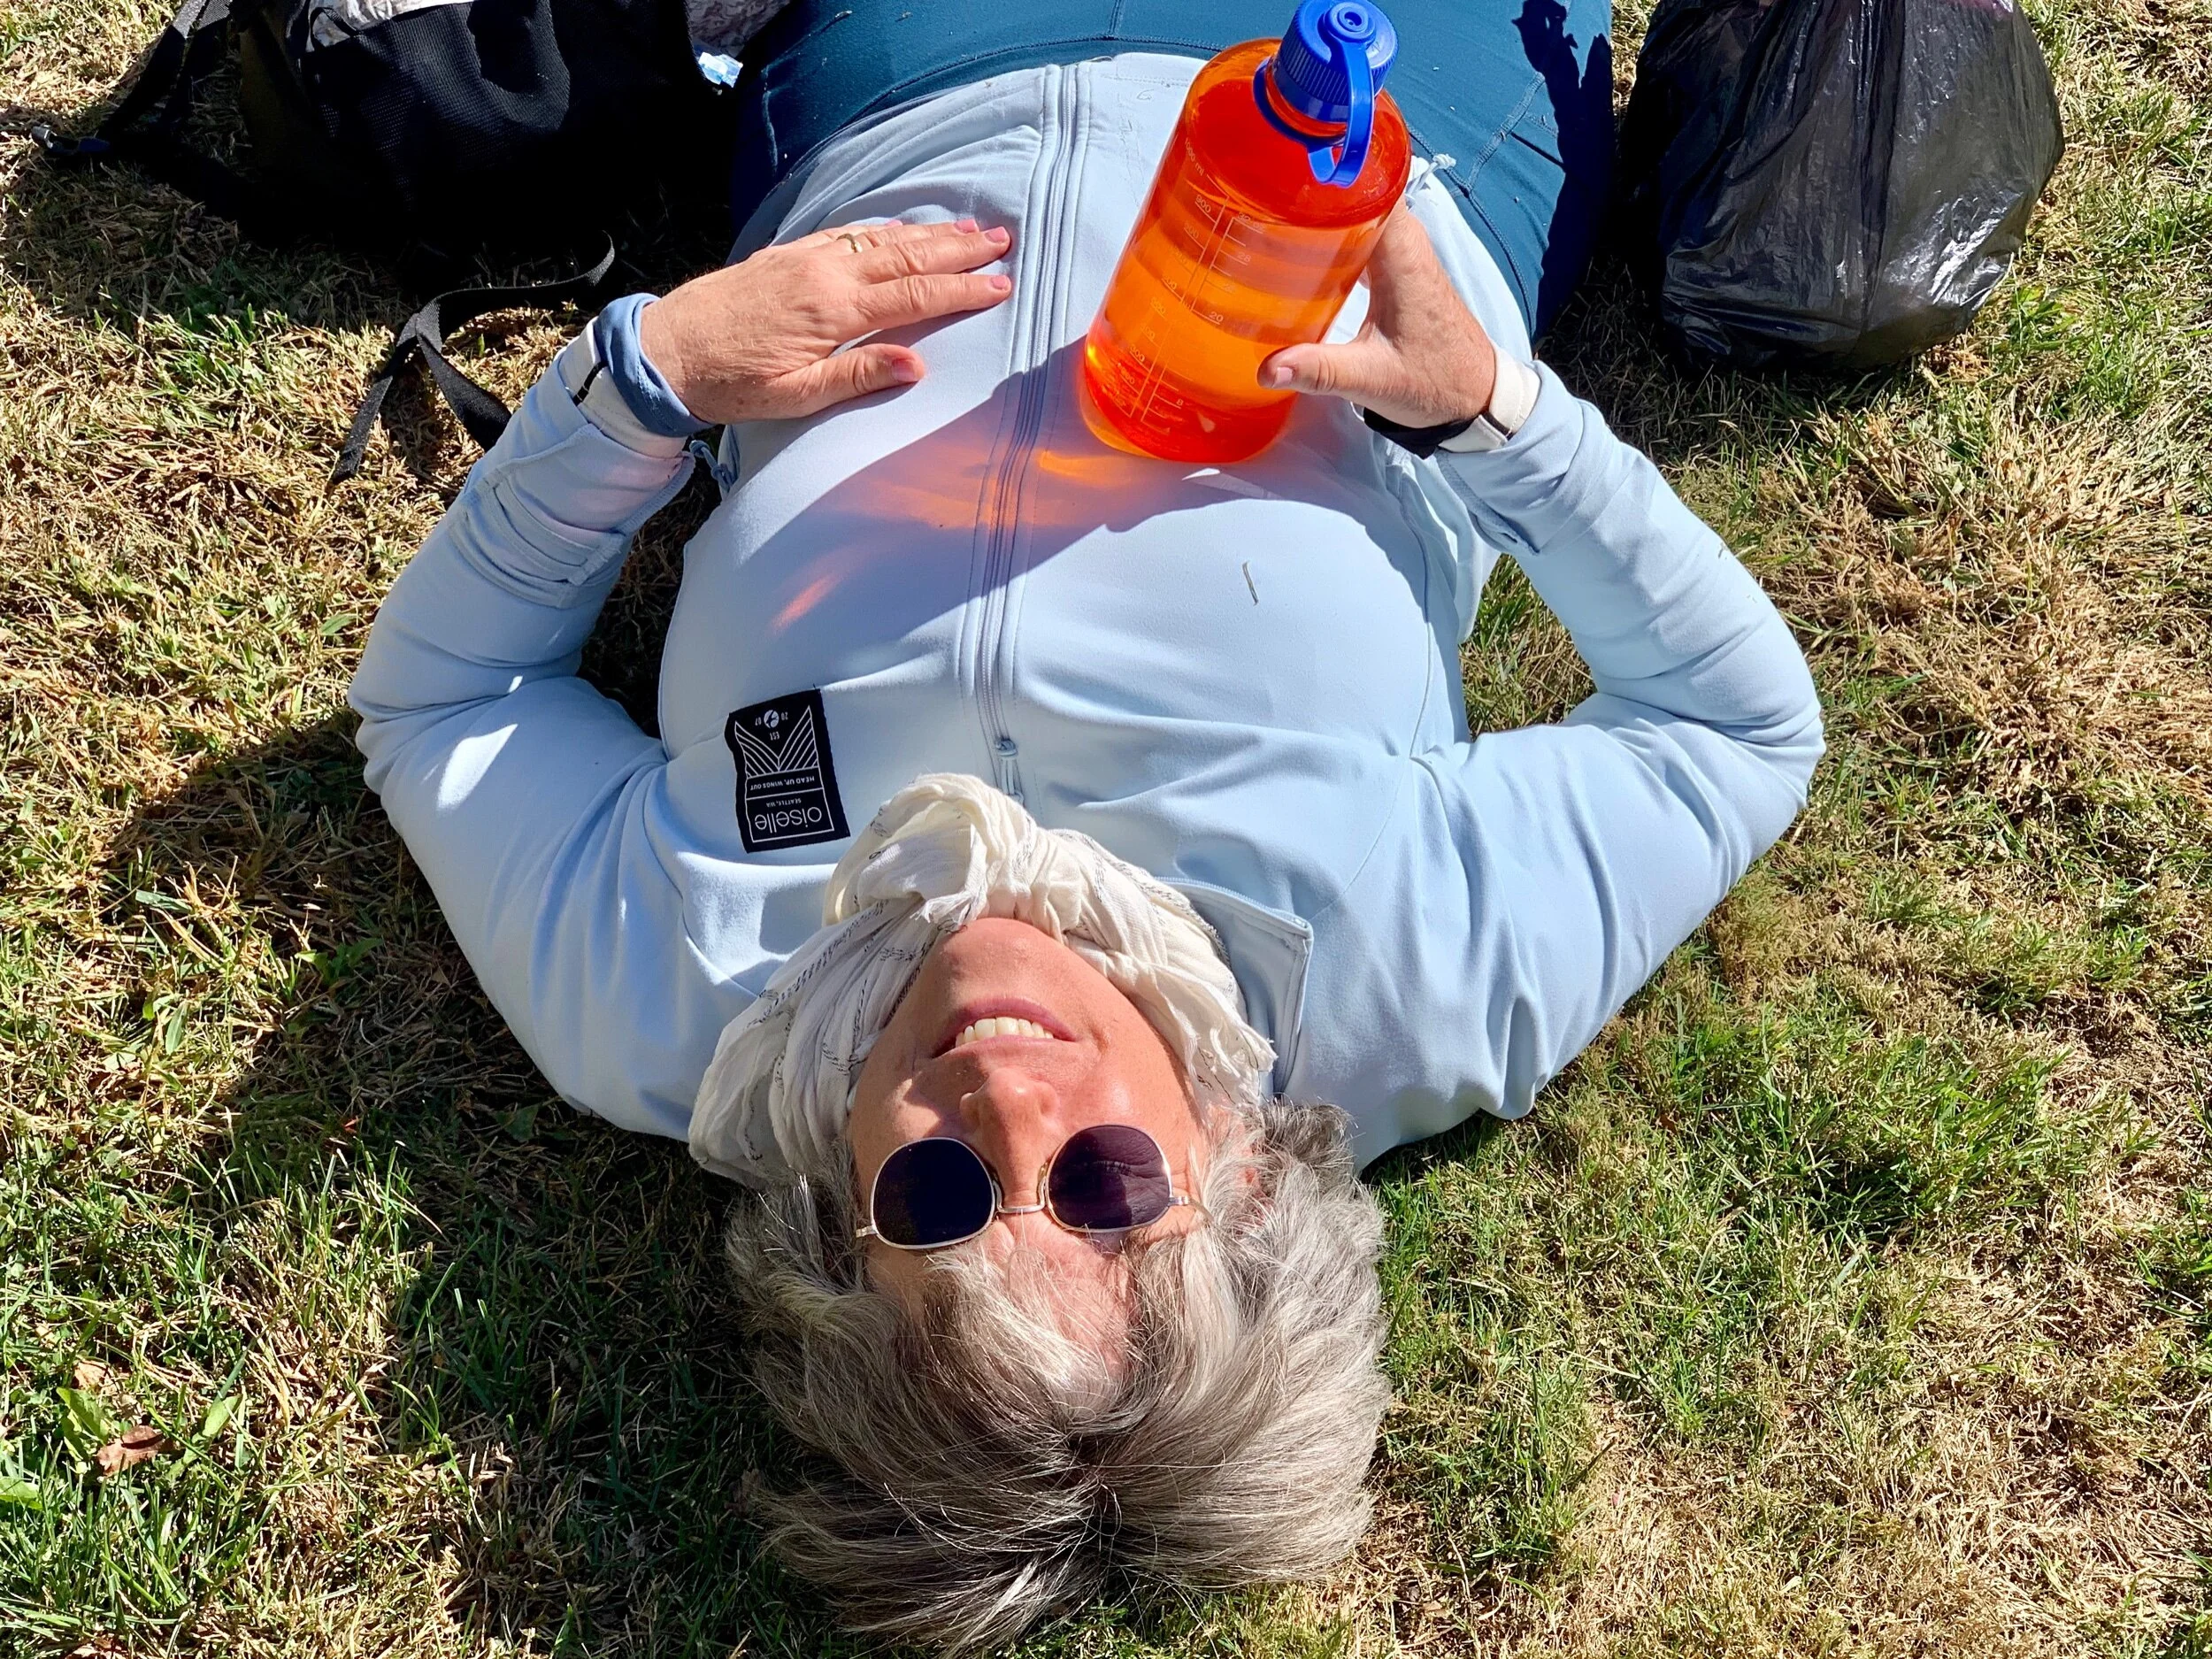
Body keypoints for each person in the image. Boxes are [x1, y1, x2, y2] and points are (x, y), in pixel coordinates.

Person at [348, 0, 1823, 1647]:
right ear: (1246, 1180)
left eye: (938, 1206)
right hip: (1376, 133)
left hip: (900, 87)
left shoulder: (662, 994)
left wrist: (649, 387)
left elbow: (442, 709)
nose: (1002, 1098)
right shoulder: (1405, 972)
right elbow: (1733, 730)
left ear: (839, 1230)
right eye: (1111, 1184)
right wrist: (1492, 421)